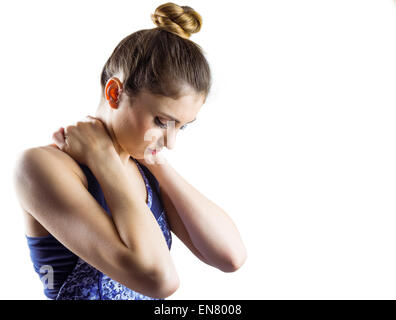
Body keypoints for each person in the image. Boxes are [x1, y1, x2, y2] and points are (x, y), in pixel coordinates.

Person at [13, 2, 247, 300]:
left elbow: (231, 256)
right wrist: (103, 159)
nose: (171, 142)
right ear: (115, 93)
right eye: (163, 122)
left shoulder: (143, 169)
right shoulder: (41, 166)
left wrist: (157, 164)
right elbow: (160, 281)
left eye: (182, 127)